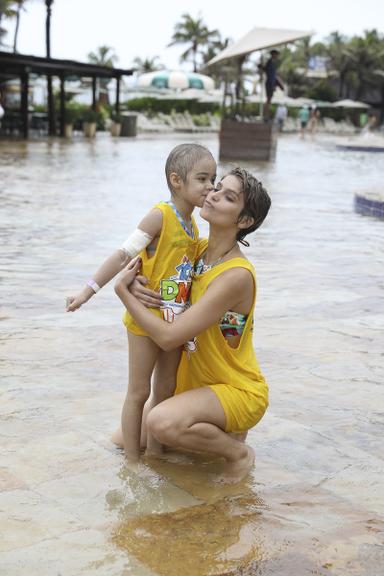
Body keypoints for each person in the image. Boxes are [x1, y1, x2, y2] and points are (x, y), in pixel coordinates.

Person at [115, 167, 271, 482]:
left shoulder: (235, 275)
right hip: (193, 386)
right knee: (121, 441)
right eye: (217, 187)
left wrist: (122, 293)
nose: (212, 195)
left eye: (228, 197)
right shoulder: (195, 251)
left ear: (244, 221)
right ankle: (210, 432)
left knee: (161, 423)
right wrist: (136, 285)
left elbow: (170, 337)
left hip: (234, 388)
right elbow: (153, 280)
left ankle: (237, 452)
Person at [66, 143, 217, 461]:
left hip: (175, 322)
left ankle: (156, 454)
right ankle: (133, 462)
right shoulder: (160, 216)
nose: (210, 187)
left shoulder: (193, 225)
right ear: (177, 180)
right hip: (143, 318)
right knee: (139, 392)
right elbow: (123, 254)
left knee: (164, 389)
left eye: (213, 179)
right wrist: (87, 291)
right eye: (202, 178)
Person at [259, 49, 284, 120]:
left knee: (269, 100)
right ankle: (265, 115)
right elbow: (270, 75)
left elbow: (271, 74)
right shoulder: (270, 62)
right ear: (273, 54)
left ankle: (266, 115)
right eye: (276, 54)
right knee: (268, 100)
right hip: (269, 83)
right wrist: (274, 85)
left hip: (271, 83)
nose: (277, 56)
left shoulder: (272, 63)